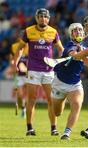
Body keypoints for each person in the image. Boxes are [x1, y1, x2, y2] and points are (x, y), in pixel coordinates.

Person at [13, 8, 64, 136]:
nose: (43, 18)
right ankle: (29, 128)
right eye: (40, 16)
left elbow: (61, 49)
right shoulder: (28, 31)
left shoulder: (53, 32)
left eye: (45, 16)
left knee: (51, 100)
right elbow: (19, 49)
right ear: (37, 18)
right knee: (32, 99)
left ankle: (54, 128)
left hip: (48, 70)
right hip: (33, 70)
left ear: (49, 18)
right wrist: (16, 62)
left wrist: (60, 62)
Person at [52, 23, 88, 140]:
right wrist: (81, 53)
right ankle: (62, 101)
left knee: (77, 105)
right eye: (75, 30)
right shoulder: (70, 45)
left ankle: (67, 133)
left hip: (75, 84)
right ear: (71, 34)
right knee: (57, 113)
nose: (78, 32)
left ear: (83, 33)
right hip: (59, 83)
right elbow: (73, 54)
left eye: (80, 30)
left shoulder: (85, 47)